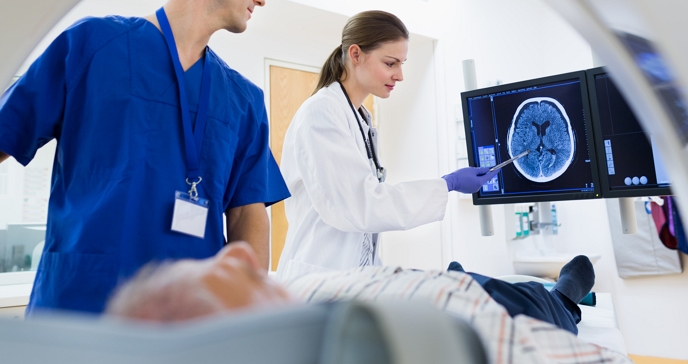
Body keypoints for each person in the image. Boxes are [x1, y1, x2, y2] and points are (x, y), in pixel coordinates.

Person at [0, 0, 290, 314]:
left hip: (191, 321)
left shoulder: (243, 100)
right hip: (80, 306)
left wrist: (250, 314)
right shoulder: (90, 46)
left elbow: (248, 215)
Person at [106, 242, 631, 364]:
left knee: (459, 273)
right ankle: (569, 293)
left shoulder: (296, 292)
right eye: (225, 270)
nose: (239, 253)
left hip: (431, 282)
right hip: (496, 307)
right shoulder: (381, 340)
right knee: (557, 295)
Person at [276, 10, 498, 281]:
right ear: (356, 54)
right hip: (317, 278)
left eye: (401, 64)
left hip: (347, 279)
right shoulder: (321, 112)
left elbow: (363, 233)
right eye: (391, 63)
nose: (400, 75)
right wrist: (446, 184)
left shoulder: (359, 118)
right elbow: (362, 205)